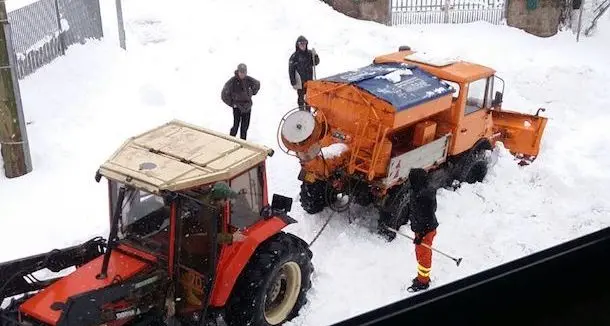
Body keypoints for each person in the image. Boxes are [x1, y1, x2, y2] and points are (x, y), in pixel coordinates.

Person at [406, 168, 439, 293]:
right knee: (420, 253)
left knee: (423, 255)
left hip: (426, 230)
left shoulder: (424, 196)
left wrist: (421, 234)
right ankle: (422, 276)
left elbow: (427, 216)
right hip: (422, 229)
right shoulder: (421, 190)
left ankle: (423, 282)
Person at [221, 63, 260, 140]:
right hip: (237, 107)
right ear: (238, 71)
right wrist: (232, 104)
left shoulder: (248, 80)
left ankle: (243, 145)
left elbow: (257, 84)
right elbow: (224, 95)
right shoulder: (232, 82)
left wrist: (252, 92)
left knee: (244, 129)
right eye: (241, 72)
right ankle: (230, 141)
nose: (242, 74)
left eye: (244, 72)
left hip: (247, 107)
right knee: (235, 127)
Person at [288, 35, 319, 110]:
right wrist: (293, 81)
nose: (303, 45)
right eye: (301, 44)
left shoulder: (309, 53)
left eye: (304, 43)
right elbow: (291, 70)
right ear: (297, 45)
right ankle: (301, 111)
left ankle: (308, 111)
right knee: (301, 98)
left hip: (309, 80)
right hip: (300, 81)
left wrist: (315, 56)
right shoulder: (294, 56)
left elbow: (316, 63)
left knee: (309, 97)